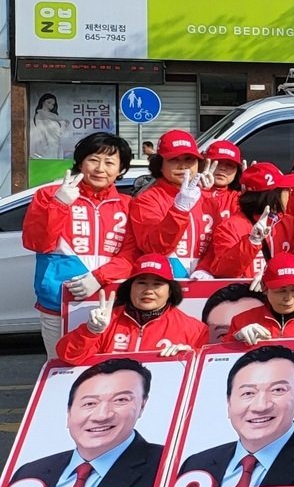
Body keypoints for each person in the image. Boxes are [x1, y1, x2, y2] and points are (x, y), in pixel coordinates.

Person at [24, 131, 137, 357]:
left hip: (111, 304)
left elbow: (132, 254)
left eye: (109, 163)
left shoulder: (128, 205)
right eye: (93, 160)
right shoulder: (48, 195)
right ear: (80, 162)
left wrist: (98, 277)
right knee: (60, 370)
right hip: (58, 303)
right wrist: (60, 204)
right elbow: (37, 242)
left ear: (121, 169)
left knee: (106, 374)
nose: (100, 169)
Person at [178, 345, 294, 487]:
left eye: (277, 390)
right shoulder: (196, 465)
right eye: (248, 393)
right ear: (228, 402)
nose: (260, 406)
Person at [12, 358, 164, 487]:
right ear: (69, 412)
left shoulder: (165, 466)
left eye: (120, 400)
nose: (102, 416)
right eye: (89, 403)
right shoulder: (30, 473)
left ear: (142, 406)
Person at [56, 257, 207, 363]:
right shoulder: (107, 320)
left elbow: (208, 376)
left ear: (170, 291)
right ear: (129, 288)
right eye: (141, 283)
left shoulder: (195, 330)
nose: (148, 290)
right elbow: (67, 356)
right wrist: (90, 331)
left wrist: (192, 357)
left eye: (157, 284)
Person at [199, 163, 294, 279]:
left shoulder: (288, 222)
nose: (290, 192)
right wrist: (252, 242)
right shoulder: (230, 226)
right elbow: (224, 272)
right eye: (285, 189)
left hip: (280, 294)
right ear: (271, 195)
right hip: (246, 295)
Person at [129, 129, 212, 262]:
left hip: (205, 281)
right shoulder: (146, 200)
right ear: (160, 165)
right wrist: (179, 211)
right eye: (174, 159)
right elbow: (153, 248)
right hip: (165, 280)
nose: (183, 166)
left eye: (189, 159)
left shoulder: (208, 198)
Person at [201, 140, 244, 222]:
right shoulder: (189, 191)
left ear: (237, 171)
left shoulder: (237, 198)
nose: (223, 168)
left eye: (230, 165)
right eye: (218, 162)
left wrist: (250, 198)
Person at [29, 92, 64, 160]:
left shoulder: (54, 117)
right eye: (49, 102)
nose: (51, 105)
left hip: (55, 146)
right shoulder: (40, 115)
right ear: (43, 102)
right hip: (46, 147)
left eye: (53, 104)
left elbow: (62, 129)